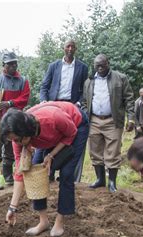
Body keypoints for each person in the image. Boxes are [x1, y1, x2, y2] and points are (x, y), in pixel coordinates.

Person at [1, 101, 89, 237]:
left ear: (25, 132)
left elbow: (71, 133)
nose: (16, 143)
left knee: (66, 173)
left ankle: (59, 222)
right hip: (52, 135)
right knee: (35, 171)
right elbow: (20, 172)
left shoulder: (52, 118)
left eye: (17, 140)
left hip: (75, 126)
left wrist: (51, 155)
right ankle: (44, 222)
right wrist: (12, 207)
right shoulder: (17, 138)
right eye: (13, 140)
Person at [83, 54, 134, 193]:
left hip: (113, 119)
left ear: (108, 63)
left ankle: (112, 182)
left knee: (113, 152)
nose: (100, 68)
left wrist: (131, 118)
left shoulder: (120, 78)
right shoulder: (89, 81)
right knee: (95, 151)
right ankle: (100, 180)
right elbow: (85, 101)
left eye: (102, 65)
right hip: (94, 120)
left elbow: (129, 99)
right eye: (97, 65)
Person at [39, 39, 89, 182]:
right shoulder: (54, 66)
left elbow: (84, 89)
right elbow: (44, 86)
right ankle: (49, 173)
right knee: (52, 137)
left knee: (70, 137)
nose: (70, 48)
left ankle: (67, 175)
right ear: (63, 48)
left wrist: (79, 103)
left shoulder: (82, 67)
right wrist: (44, 101)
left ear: (76, 49)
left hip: (72, 106)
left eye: (73, 46)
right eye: (68, 46)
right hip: (54, 105)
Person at [0, 51, 30, 188]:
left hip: (15, 124)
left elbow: (24, 99)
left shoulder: (23, 81)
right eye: (10, 64)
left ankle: (9, 178)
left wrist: (10, 103)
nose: (13, 66)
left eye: (15, 63)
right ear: (4, 65)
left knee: (10, 150)